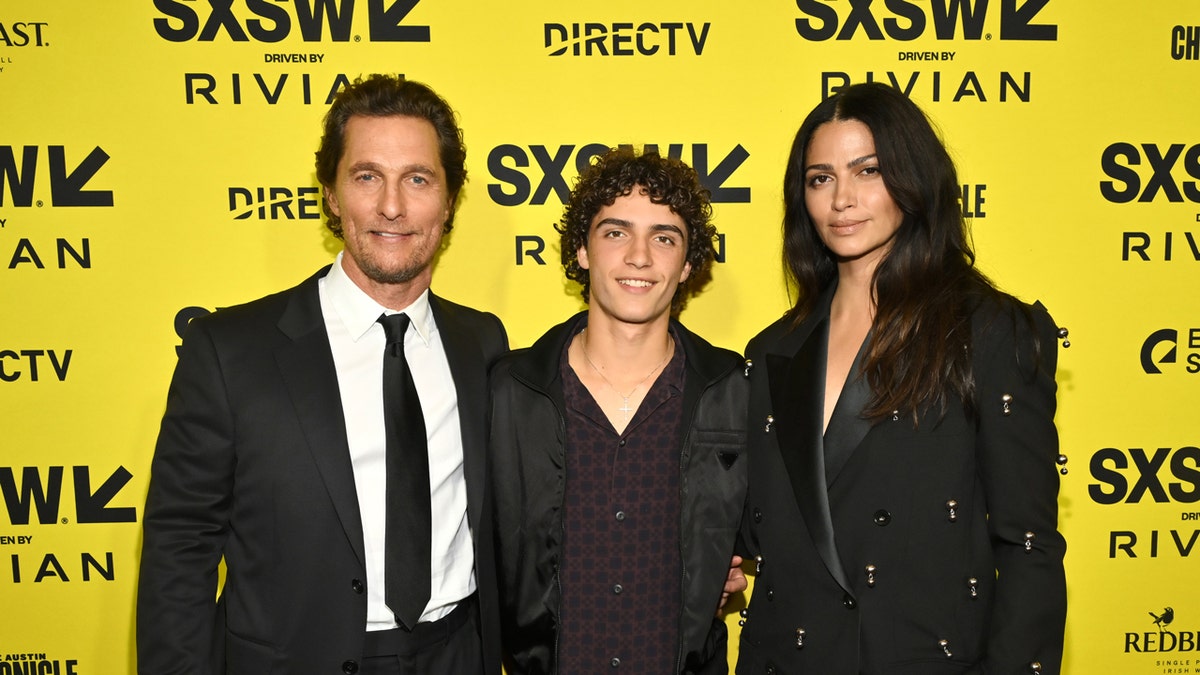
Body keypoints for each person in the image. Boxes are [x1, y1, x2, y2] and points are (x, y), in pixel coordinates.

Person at [137, 75, 507, 675]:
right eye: (367, 177)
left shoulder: (481, 342)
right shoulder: (230, 351)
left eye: (418, 178)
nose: (393, 206)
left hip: (459, 654)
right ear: (331, 195)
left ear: (449, 199)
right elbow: (179, 549)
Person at [737, 82, 1066, 674]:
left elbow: (1029, 548)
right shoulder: (772, 351)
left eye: (868, 171)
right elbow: (770, 521)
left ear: (913, 180)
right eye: (820, 178)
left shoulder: (988, 331)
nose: (842, 199)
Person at [490, 148, 749, 674]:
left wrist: (714, 567)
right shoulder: (509, 391)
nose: (639, 257)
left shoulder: (735, 390)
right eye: (615, 232)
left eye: (664, 237)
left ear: (689, 263)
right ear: (582, 251)